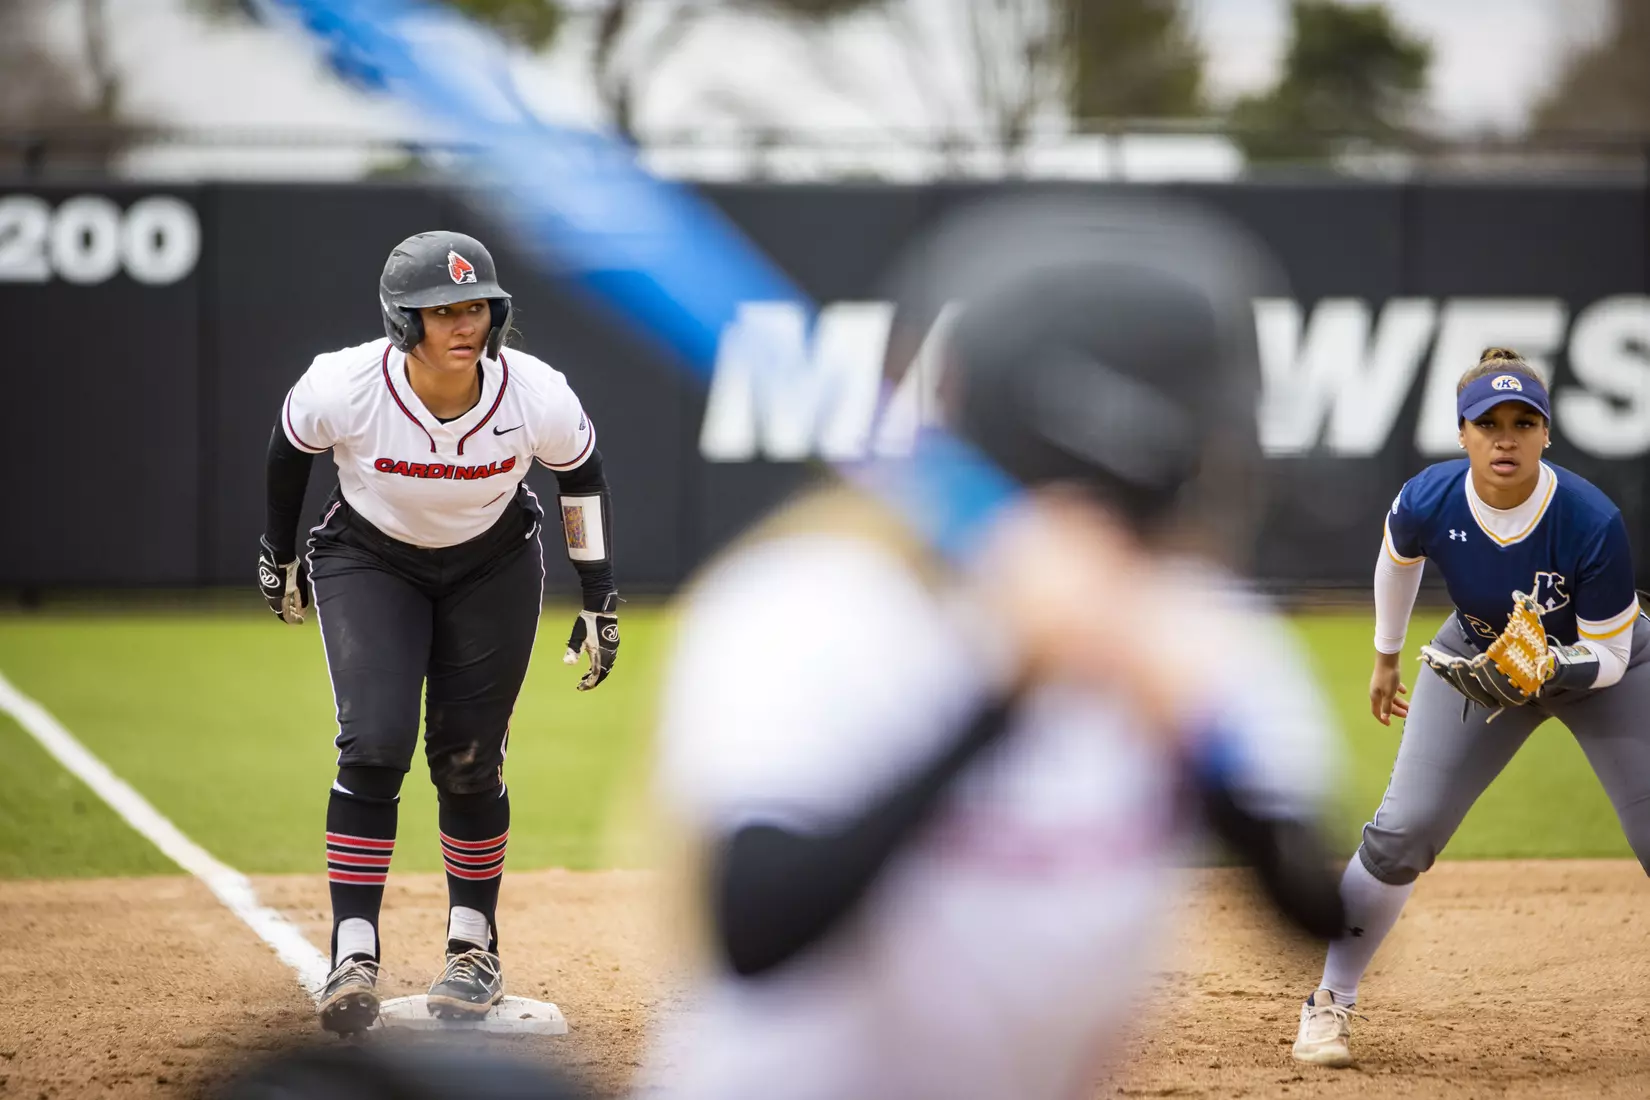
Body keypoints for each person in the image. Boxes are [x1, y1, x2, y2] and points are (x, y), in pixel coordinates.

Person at [640, 196, 1348, 1100]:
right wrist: (1004, 692)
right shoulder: (820, 606)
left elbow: (1313, 908)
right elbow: (757, 929)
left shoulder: (1196, 626)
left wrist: (1200, 745)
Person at [258, 230, 621, 1035]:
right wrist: (277, 554)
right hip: (369, 559)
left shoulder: (533, 393)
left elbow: (581, 474)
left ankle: (472, 947)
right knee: (374, 745)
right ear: (402, 320)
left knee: (468, 762)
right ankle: (353, 952)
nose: (466, 324)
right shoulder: (346, 385)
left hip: (493, 565)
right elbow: (290, 448)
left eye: (477, 307)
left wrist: (599, 593)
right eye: (443, 311)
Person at [1290, 347, 1649, 1068]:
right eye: (1488, 424)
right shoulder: (1430, 498)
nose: (1505, 439)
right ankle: (1329, 1002)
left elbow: (1610, 657)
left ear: (1546, 433)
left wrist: (1548, 665)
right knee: (1404, 830)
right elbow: (1397, 559)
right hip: (1484, 655)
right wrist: (1386, 655)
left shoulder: (1590, 519)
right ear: (1462, 433)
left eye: (1523, 423)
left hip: (1606, 664)